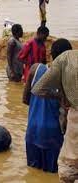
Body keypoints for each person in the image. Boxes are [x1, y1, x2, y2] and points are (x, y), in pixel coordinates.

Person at [22, 39, 72, 173]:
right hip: (52, 137)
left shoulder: (35, 69)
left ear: (51, 54)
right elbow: (68, 115)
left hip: (32, 132)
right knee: (51, 175)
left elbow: (25, 99)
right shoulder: (68, 80)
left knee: (32, 174)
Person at [31, 45, 78, 182]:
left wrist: (61, 96)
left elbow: (38, 89)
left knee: (67, 169)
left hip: (70, 118)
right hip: (52, 129)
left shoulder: (63, 59)